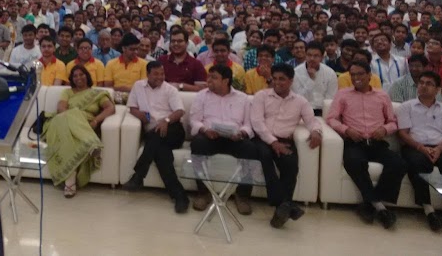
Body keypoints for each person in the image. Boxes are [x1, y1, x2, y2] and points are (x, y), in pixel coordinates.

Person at [326, 61, 405, 229]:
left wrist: (384, 129)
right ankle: (380, 207)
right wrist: (346, 130)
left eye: (360, 74)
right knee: (354, 162)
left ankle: (369, 203)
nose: (356, 78)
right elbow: (331, 118)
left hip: (376, 142)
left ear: (370, 75)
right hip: (354, 142)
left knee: (398, 163)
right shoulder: (343, 94)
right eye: (353, 75)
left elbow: (393, 122)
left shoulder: (382, 96)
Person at [251, 64, 322, 228]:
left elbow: (312, 121)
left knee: (290, 165)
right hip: (262, 139)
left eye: (282, 79)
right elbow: (257, 122)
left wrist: (316, 132)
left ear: (291, 81)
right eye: (274, 78)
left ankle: (281, 210)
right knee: (265, 156)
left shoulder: (300, 101)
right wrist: (272, 142)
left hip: (285, 141)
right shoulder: (261, 96)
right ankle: (286, 205)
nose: (277, 82)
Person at [396, 71, 442, 232]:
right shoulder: (407, 106)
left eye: (429, 84)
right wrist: (421, 147)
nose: (424, 86)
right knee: (417, 164)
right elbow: (403, 134)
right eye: (421, 83)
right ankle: (429, 210)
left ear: (438, 89)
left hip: (441, 146)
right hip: (415, 147)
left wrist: (439, 149)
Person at [122, 62, 189, 213]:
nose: (160, 77)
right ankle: (180, 197)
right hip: (154, 133)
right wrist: (140, 115)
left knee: (155, 136)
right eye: (156, 74)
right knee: (162, 155)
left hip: (173, 130)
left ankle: (139, 175)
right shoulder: (138, 86)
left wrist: (166, 121)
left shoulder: (170, 90)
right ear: (147, 74)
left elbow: (180, 111)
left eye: (162, 74)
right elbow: (132, 107)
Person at [188, 65, 256, 215]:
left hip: (234, 138)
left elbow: (248, 124)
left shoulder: (242, 98)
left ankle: (242, 196)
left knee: (251, 149)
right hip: (210, 137)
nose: (209, 80)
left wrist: (242, 133)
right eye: (209, 76)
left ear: (225, 81)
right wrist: (205, 130)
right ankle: (203, 193)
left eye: (214, 77)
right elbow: (194, 120)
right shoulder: (201, 96)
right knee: (197, 144)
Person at [43, 65, 115, 198]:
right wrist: (72, 117)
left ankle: (69, 182)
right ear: (72, 79)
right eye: (75, 76)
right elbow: (61, 109)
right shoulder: (67, 92)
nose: (78, 78)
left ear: (87, 76)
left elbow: (110, 108)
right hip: (63, 121)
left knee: (70, 141)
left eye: (81, 74)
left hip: (84, 125)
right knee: (69, 117)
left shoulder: (97, 93)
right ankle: (91, 144)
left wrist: (96, 121)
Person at [292, 42, 338, 116]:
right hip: (301, 111)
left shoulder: (330, 73)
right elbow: (298, 98)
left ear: (322, 57)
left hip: (323, 111)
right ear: (305, 55)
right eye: (309, 55)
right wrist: (311, 79)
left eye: (316, 56)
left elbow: (330, 99)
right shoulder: (296, 72)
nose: (312, 59)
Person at [159, 28, 206, 92]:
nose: (176, 44)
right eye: (173, 41)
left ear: (187, 43)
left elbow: (202, 89)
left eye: (180, 41)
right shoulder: (162, 60)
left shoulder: (196, 64)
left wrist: (180, 86)